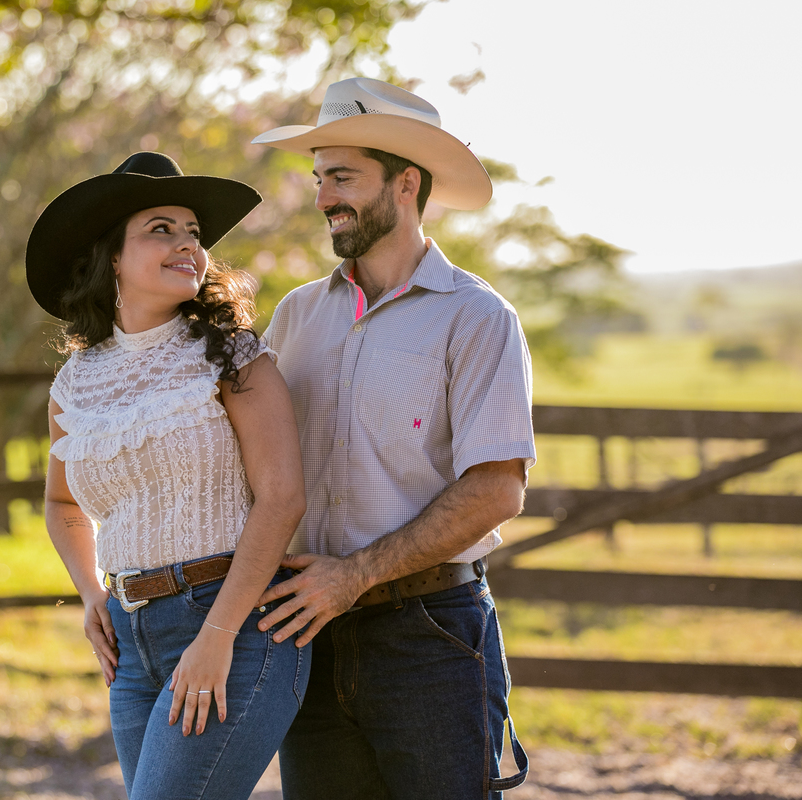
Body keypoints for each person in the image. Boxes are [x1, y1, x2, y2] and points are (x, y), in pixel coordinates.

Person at [250, 77, 535, 798]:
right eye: (319, 178)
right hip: (305, 636)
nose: (323, 198)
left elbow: (497, 490)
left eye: (343, 177)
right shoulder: (295, 316)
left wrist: (354, 575)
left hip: (429, 637)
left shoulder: (476, 317)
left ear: (406, 183)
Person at [26, 152, 310, 800]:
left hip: (235, 623)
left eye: (193, 233)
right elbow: (62, 502)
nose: (188, 244)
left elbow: (282, 499)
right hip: (130, 642)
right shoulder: (76, 381)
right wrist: (91, 594)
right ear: (112, 257)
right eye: (162, 229)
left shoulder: (233, 355)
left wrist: (218, 635)